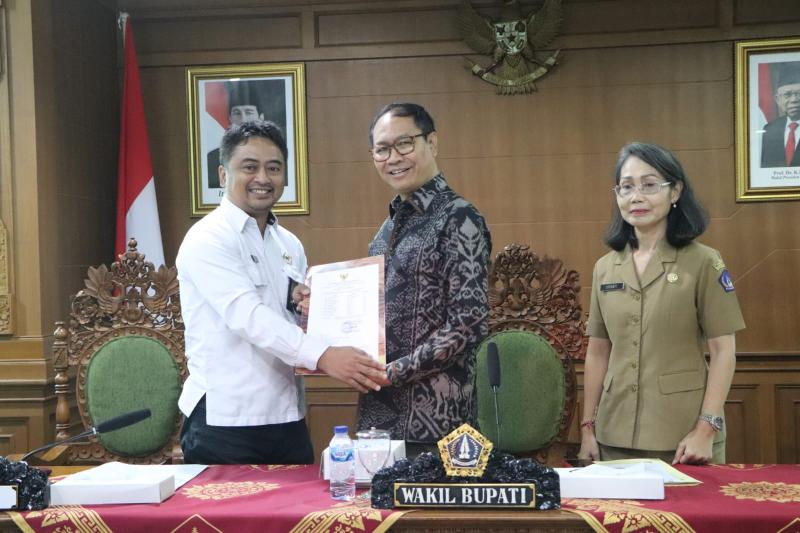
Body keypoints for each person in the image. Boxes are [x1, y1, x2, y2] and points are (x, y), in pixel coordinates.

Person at [177, 120, 388, 465]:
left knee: (298, 503)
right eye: (250, 167)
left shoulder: (289, 244)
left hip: (287, 415)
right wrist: (326, 355)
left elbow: (294, 319)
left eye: (273, 168)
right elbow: (248, 317)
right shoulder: (208, 238)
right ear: (223, 174)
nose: (263, 178)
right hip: (224, 420)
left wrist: (309, 308)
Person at [578, 142, 745, 465]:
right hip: (613, 436)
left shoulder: (704, 262)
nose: (636, 197)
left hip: (684, 438)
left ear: (675, 191)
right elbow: (597, 351)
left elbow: (724, 350)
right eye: (626, 187)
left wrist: (706, 428)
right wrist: (588, 429)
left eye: (649, 185)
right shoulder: (605, 268)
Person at [357, 102, 492, 456]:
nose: (393, 158)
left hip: (438, 426)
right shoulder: (384, 231)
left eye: (404, 144)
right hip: (377, 421)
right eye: (382, 149)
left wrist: (395, 372)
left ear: (431, 143)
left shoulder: (459, 218)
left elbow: (467, 323)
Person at [207, 104, 264, 188]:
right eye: (237, 113)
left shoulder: (275, 156)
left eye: (249, 112)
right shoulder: (213, 158)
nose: (243, 119)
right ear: (230, 118)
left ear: (261, 118)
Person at [761, 66, 800, 168]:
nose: (794, 100)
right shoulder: (769, 130)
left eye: (799, 94)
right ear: (778, 99)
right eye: (787, 94)